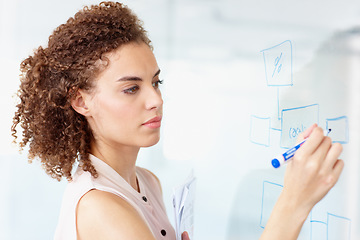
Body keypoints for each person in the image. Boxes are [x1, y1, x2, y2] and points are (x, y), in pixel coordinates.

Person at [11, 2, 344, 240]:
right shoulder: (101, 207)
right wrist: (294, 202)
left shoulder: (146, 182)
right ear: (81, 101)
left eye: (156, 82)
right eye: (131, 88)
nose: (155, 99)